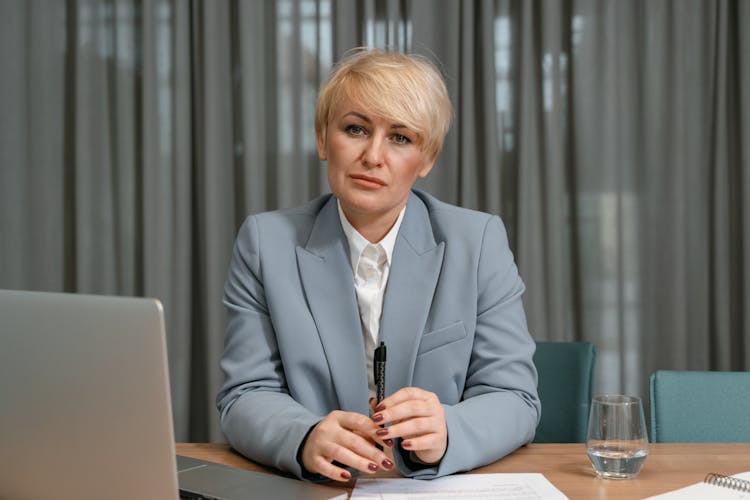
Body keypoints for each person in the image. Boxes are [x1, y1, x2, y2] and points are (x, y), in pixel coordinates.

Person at [216, 48, 540, 482]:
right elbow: (245, 394)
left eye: (400, 138)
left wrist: (448, 430)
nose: (373, 155)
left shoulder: (477, 242)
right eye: (356, 129)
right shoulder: (265, 243)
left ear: (427, 159)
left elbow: (515, 398)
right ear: (322, 138)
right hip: (317, 489)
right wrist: (304, 435)